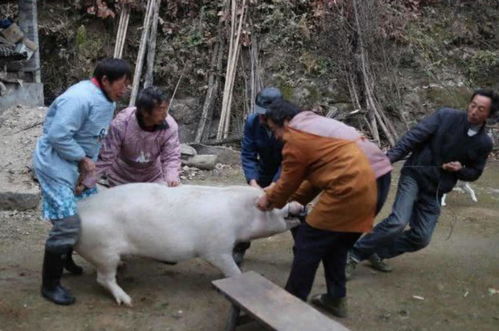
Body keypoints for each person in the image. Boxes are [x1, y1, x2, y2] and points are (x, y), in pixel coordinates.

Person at [346, 88, 498, 278]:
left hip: (436, 189)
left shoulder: (484, 142)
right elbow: (413, 137)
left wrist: (460, 169)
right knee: (398, 222)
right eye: (472, 105)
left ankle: (378, 252)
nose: (474, 111)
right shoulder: (446, 116)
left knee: (421, 237)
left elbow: (475, 173)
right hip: (415, 175)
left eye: (481, 109)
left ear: (489, 115)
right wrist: (388, 159)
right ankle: (353, 254)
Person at [256, 99, 378, 318]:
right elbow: (314, 178)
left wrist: (270, 199)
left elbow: (287, 182)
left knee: (306, 244)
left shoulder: (296, 137)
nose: (276, 137)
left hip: (347, 191)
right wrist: (296, 200)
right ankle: (336, 299)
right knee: (336, 248)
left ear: (285, 121)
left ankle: (291, 305)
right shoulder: (313, 124)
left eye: (275, 130)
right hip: (369, 187)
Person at [33, 58, 131, 305]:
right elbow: (57, 135)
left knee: (90, 213)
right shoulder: (79, 98)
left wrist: (86, 172)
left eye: (128, 84)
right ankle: (50, 285)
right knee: (68, 223)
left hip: (77, 166)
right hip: (54, 165)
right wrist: (82, 159)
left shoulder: (107, 101)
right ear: (105, 80)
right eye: (122, 83)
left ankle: (66, 257)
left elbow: (93, 139)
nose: (125, 89)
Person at [82, 86, 181, 189]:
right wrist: (87, 182)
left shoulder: (170, 126)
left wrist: (172, 178)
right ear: (144, 111)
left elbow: (171, 156)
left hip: (152, 178)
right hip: (120, 177)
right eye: (160, 109)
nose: (165, 114)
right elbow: (106, 155)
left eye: (166, 108)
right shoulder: (122, 123)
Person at [233, 87, 284, 264]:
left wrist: (277, 183)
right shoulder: (252, 122)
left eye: (266, 115)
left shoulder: (291, 125)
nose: (262, 118)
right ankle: (239, 248)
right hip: (263, 169)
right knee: (249, 208)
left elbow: (291, 160)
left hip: (286, 170)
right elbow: (248, 153)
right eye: (260, 113)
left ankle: (302, 250)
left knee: (293, 208)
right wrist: (253, 181)